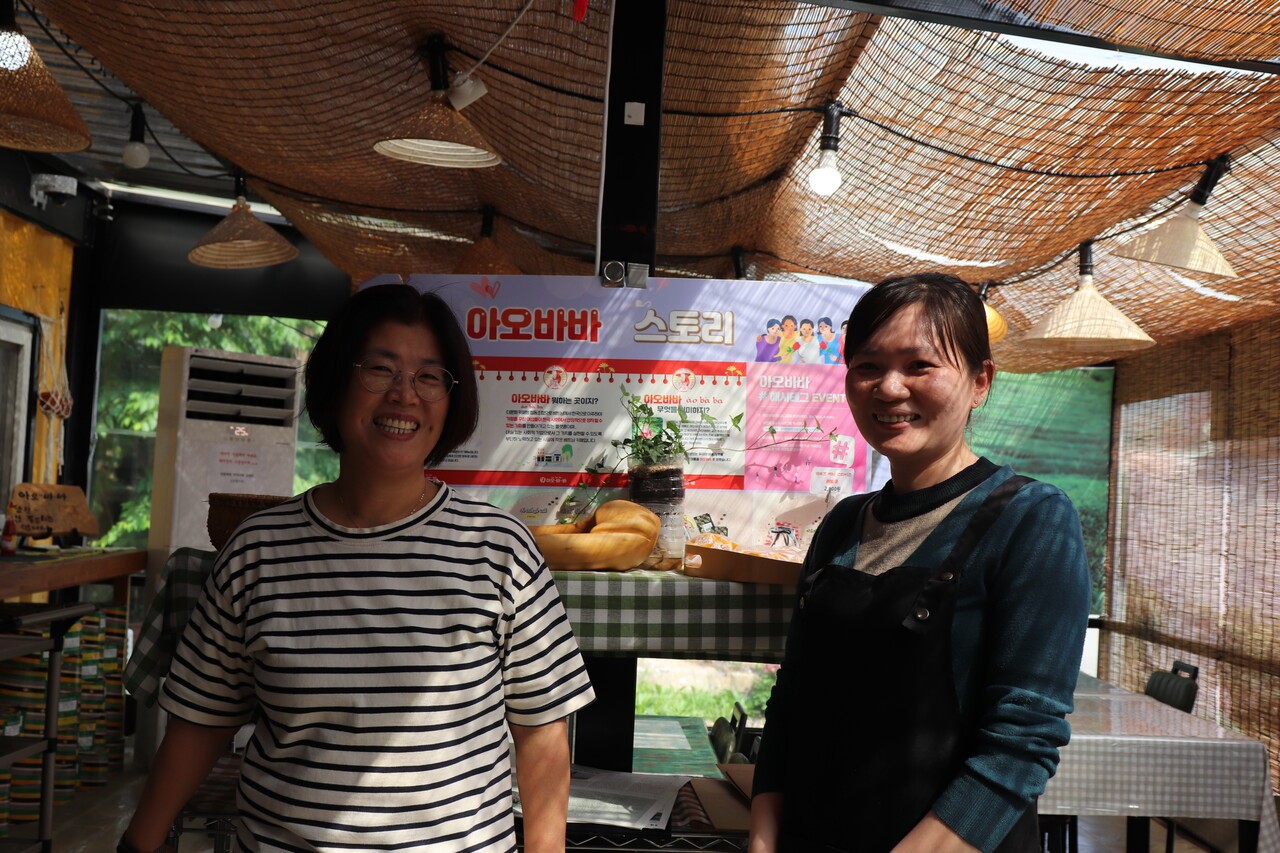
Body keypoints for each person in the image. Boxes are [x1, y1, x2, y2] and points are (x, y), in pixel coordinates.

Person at [120, 283, 594, 853]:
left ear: (451, 398)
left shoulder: (499, 550)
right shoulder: (257, 552)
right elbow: (203, 721)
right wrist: (138, 842)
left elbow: (542, 731)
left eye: (428, 376)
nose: (404, 396)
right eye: (380, 369)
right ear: (337, 382)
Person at [749, 273, 1089, 853]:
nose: (889, 387)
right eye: (868, 366)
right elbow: (794, 697)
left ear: (980, 382)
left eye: (919, 366)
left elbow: (1021, 742)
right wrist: (763, 836)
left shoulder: (1032, 519)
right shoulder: (841, 523)